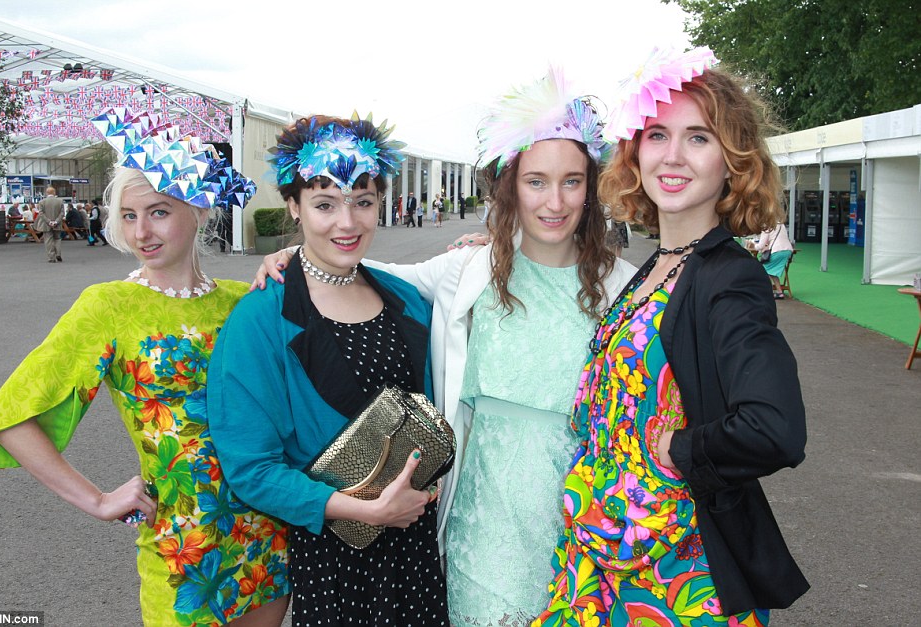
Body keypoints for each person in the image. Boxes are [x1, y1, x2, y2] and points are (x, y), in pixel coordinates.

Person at [256, 69, 636, 626]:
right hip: (483, 523)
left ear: (591, 186)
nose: (554, 202)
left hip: (587, 514)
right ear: (510, 186)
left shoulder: (625, 287)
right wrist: (292, 259)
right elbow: (371, 270)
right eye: (535, 181)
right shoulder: (468, 271)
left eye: (571, 181)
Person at [0, 108, 289, 627]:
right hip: (181, 551)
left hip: (267, 535)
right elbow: (12, 418)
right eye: (129, 216)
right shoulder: (108, 306)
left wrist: (293, 256)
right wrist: (96, 498)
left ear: (200, 210)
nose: (141, 232)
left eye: (158, 212)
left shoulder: (242, 301)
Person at [534, 47, 808, 627]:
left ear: (733, 161)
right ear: (636, 152)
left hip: (674, 575)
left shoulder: (729, 277)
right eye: (658, 135)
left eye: (699, 138)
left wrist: (684, 451)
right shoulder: (658, 265)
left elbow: (775, 429)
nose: (673, 156)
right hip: (601, 552)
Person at [207, 113, 449, 626]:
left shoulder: (407, 300)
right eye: (324, 203)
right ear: (293, 207)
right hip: (336, 549)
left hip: (416, 545)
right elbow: (250, 467)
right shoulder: (260, 319)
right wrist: (365, 511)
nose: (347, 222)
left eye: (362, 201)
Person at [756, 222, 793, 298]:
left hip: (777, 250)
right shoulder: (781, 225)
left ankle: (766, 291)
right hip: (787, 250)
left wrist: (752, 245)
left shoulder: (766, 226)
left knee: (764, 269)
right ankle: (779, 292)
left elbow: (760, 246)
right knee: (772, 271)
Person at [35, 187, 65, 262]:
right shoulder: (60, 201)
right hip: (57, 224)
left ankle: (51, 257)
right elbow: (62, 213)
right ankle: (58, 253)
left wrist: (49, 221)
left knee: (48, 240)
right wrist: (56, 221)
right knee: (57, 239)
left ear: (46, 193)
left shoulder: (42, 202)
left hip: (46, 224)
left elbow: (41, 213)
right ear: (54, 192)